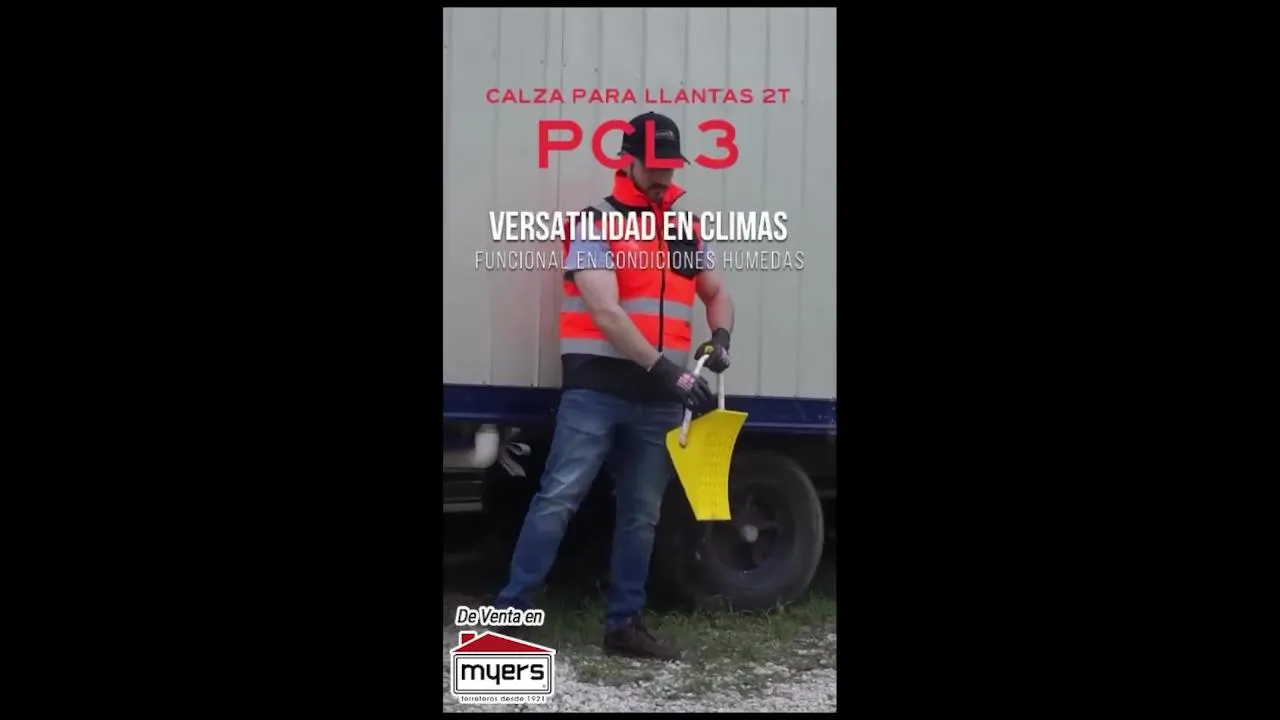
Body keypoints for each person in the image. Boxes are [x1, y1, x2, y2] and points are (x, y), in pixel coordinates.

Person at [493, 112, 736, 660]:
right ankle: (510, 614)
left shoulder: (684, 228)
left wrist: (720, 336)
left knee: (642, 513)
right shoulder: (595, 223)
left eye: (671, 166)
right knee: (558, 498)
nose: (664, 175)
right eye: (655, 165)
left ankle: (624, 625)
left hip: (660, 397)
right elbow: (604, 310)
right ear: (628, 161)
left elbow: (717, 292)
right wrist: (667, 371)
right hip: (597, 390)